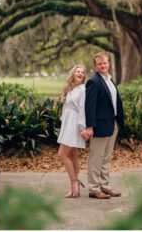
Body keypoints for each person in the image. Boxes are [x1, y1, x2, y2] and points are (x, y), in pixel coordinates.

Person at [85, 52, 125, 199]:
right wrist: (89, 127)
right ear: (95, 66)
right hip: (99, 126)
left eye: (105, 63)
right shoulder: (93, 82)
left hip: (112, 123)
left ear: (109, 64)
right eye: (99, 64)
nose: (103, 65)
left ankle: (105, 187)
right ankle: (93, 189)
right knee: (96, 158)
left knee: (106, 158)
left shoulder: (110, 80)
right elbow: (89, 107)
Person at [57, 65, 86, 198]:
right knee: (73, 155)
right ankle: (75, 188)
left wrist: (82, 127)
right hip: (67, 123)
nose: (80, 73)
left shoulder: (82, 89)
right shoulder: (69, 88)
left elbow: (82, 109)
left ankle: (74, 183)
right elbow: (66, 107)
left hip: (75, 124)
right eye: (78, 71)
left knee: (62, 154)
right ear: (73, 74)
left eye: (82, 72)